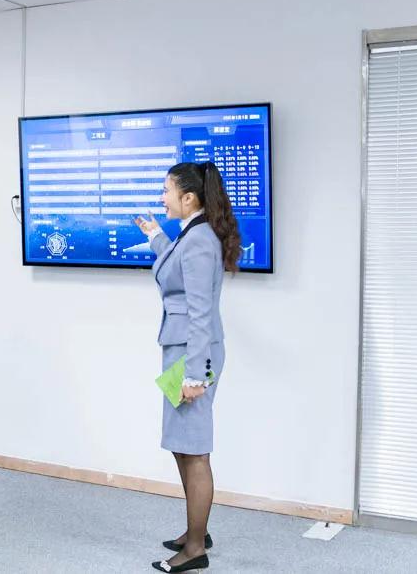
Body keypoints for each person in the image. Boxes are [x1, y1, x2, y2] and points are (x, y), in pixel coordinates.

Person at [134, 161, 240, 574]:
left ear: (189, 197)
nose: (162, 198)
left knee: (194, 451)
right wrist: (155, 236)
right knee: (182, 444)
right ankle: (196, 530)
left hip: (192, 355)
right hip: (181, 351)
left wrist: (195, 375)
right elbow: (176, 267)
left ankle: (195, 548)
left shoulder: (198, 240)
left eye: (166, 191)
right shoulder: (191, 234)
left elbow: (199, 314)